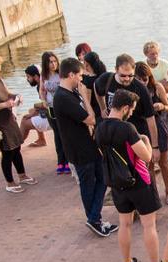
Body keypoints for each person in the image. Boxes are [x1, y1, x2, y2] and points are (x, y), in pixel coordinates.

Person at [95, 89, 165, 262]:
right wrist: (146, 140)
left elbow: (104, 154)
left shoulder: (99, 127)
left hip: (117, 183)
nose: (132, 113)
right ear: (125, 108)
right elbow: (147, 156)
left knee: (124, 224)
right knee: (148, 226)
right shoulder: (127, 129)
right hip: (139, 181)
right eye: (132, 110)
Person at [53, 57, 118, 237]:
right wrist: (85, 97)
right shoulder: (63, 97)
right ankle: (94, 219)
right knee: (90, 182)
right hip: (78, 148)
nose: (81, 79)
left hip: (87, 144)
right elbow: (90, 119)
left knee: (102, 178)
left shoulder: (70, 93)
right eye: (80, 76)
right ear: (71, 74)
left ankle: (94, 218)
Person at [0, 53, 35, 193]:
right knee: (7, 153)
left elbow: (7, 94)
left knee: (16, 148)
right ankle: (10, 182)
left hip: (9, 120)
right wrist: (4, 104)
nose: (0, 67)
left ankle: (22, 175)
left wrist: (16, 97)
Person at [94, 54, 159, 155]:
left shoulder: (141, 89)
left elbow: (150, 118)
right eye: (123, 75)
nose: (127, 78)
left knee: (141, 168)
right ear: (116, 69)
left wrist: (155, 146)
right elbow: (96, 88)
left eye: (130, 75)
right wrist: (103, 108)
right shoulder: (106, 79)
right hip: (114, 134)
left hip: (136, 133)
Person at [136, 62, 168, 204]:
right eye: (139, 79)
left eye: (145, 79)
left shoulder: (157, 87)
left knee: (163, 162)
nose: (142, 82)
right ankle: (154, 193)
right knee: (149, 164)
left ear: (149, 77)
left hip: (158, 128)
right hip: (142, 129)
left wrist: (162, 106)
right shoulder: (133, 90)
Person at [39, 52, 69, 175]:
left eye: (54, 61)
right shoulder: (44, 75)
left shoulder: (61, 74)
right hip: (51, 108)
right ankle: (60, 161)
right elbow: (42, 89)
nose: (53, 64)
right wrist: (43, 100)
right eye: (50, 62)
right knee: (57, 134)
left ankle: (67, 160)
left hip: (63, 107)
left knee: (64, 134)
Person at [19, 64, 48, 147]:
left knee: (25, 121)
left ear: (35, 76)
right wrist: (33, 111)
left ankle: (15, 145)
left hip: (52, 116)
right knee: (31, 111)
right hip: (50, 111)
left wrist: (34, 111)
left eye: (28, 77)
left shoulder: (43, 86)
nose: (27, 79)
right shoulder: (40, 84)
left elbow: (46, 104)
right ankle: (41, 139)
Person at [81, 51, 106, 121]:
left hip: (94, 111)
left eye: (86, 64)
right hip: (103, 108)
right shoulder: (103, 75)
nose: (85, 66)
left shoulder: (88, 81)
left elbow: (87, 101)